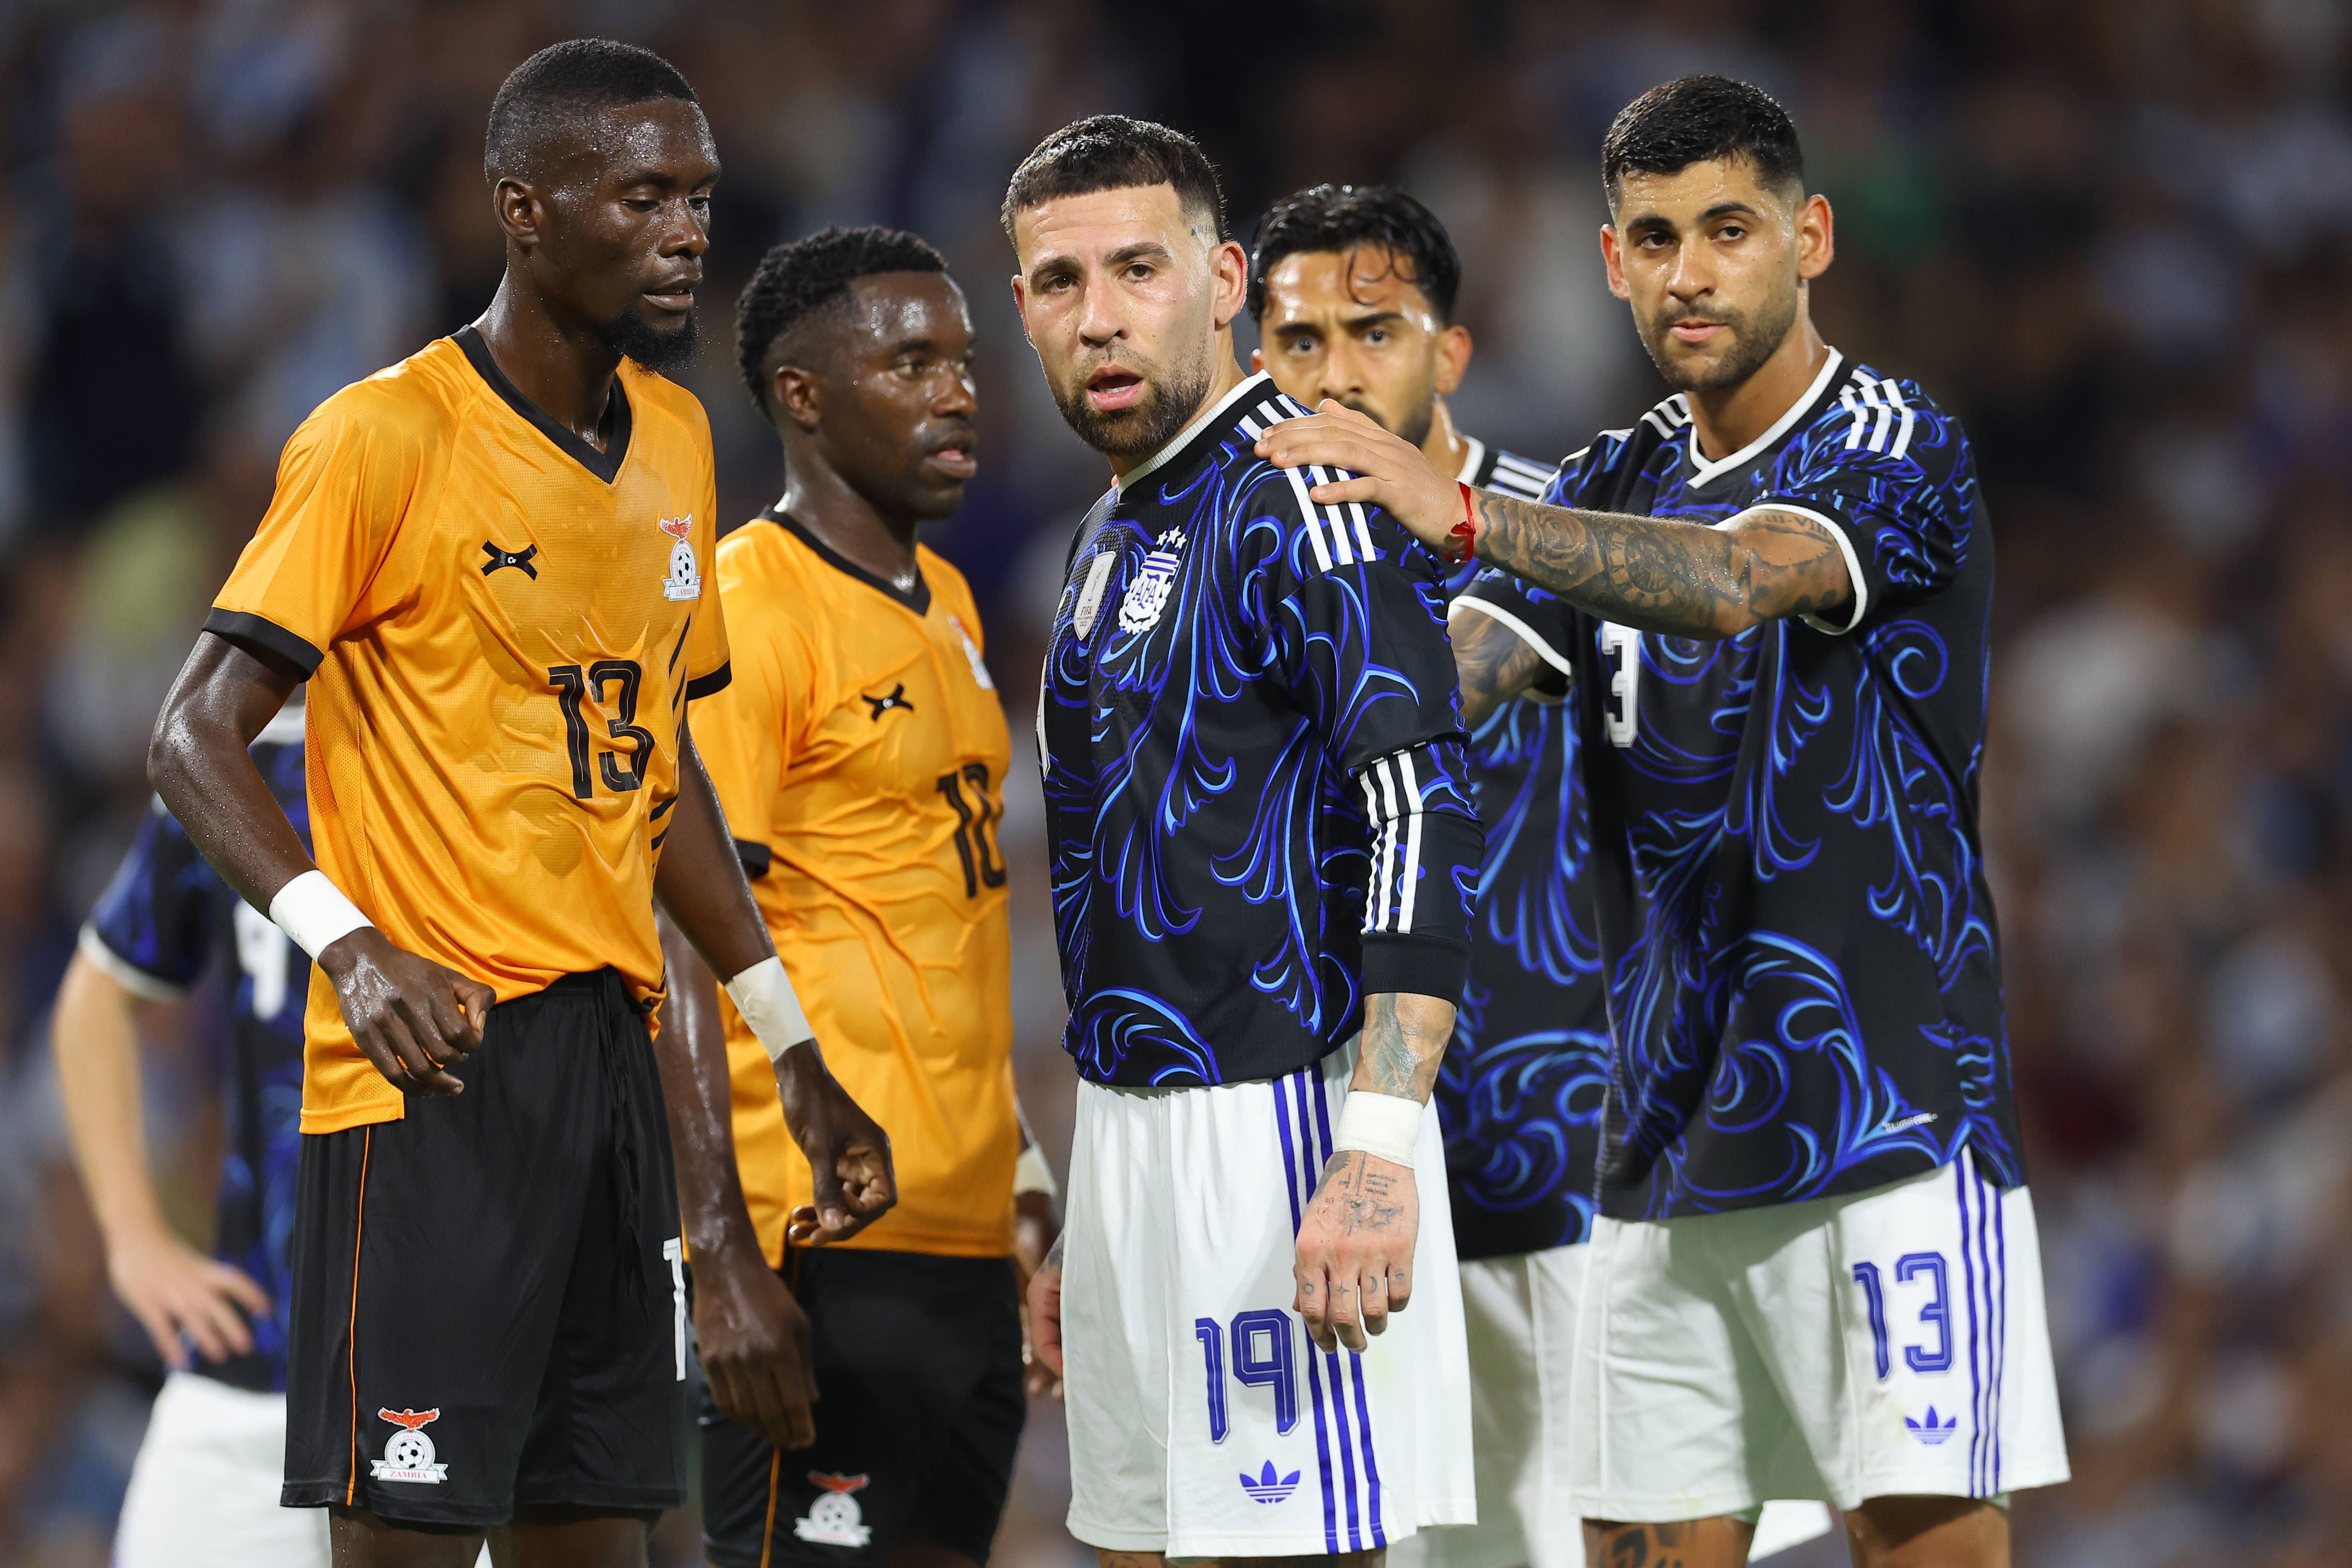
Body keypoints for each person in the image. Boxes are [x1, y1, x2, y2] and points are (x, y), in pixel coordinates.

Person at [1256, 76, 2069, 1568]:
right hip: (1660, 1160)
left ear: (1809, 239)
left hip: (1884, 1130)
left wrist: (1462, 508)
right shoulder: (1614, 474)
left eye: (1726, 230)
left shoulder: (1895, 443)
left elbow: (1734, 580)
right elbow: (1448, 688)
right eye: (1652, 237)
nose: (1688, 271)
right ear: (1610, 260)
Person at [144, 40, 894, 1567]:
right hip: (437, 1072)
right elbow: (190, 735)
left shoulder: (680, 436)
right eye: (643, 197)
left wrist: (788, 1035)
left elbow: (659, 775)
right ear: (524, 210)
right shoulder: (384, 435)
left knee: (603, 1540)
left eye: (699, 197)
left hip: (610, 1074)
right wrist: (352, 947)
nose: (686, 232)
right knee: (409, 1538)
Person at [1248, 183, 1833, 1568]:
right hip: (1356, 1201)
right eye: (1297, 342)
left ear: (1449, 352)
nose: (1333, 376)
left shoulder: (1570, 534)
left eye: (1373, 332)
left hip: (1587, 1177)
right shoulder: (1239, 576)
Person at [1007, 115, 1478, 1565]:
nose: (1097, 316)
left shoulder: (1301, 490)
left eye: (1135, 269)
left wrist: (1376, 1149)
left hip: (1285, 1127)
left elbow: (1418, 805)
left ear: (1220, 284)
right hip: (1133, 1141)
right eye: (1059, 281)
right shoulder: (1107, 531)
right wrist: (1097, 1210)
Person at [663, 223, 1053, 1568]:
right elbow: (682, 931)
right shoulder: (747, 605)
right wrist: (718, 1250)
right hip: (818, 1233)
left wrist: (1021, 1165)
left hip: (964, 1234)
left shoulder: (949, 600)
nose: (957, 392)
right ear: (803, 395)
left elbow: (947, 915)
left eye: (963, 360)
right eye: (909, 363)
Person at [55, 701, 325, 1567]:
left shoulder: (497, 758)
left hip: (454, 1370)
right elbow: (95, 999)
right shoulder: (239, 763)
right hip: (252, 1355)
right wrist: (133, 1237)